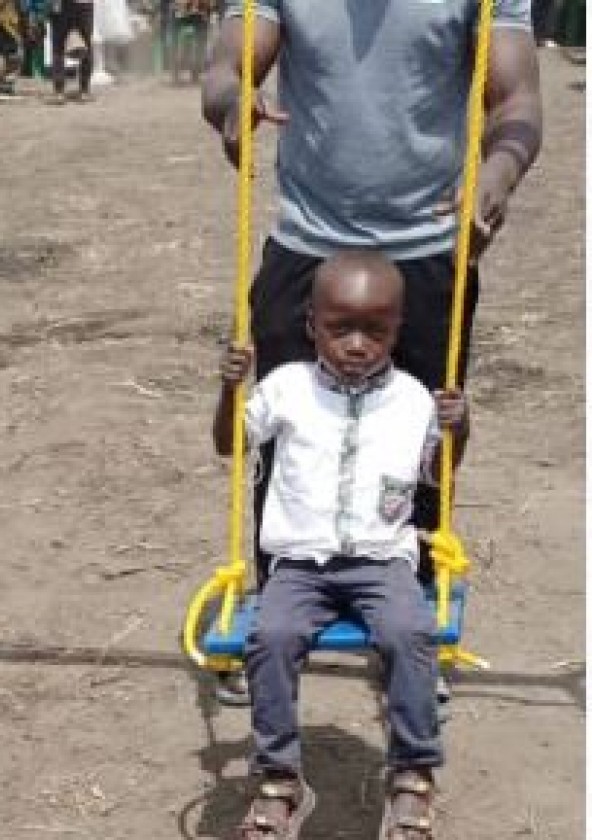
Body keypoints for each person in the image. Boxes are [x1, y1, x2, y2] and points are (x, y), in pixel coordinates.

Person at [202, 0, 541, 594]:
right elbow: (228, 67)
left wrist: (497, 173)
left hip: (426, 252)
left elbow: (517, 102)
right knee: (289, 447)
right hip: (307, 248)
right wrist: (233, 102)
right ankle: (286, 606)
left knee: (419, 453)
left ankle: (407, 611)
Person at [213, 251, 469, 840]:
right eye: (340, 329)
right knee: (270, 637)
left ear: (397, 329)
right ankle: (279, 776)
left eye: (375, 331)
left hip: (382, 562)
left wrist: (460, 428)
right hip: (300, 565)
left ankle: (412, 772)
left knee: (410, 633)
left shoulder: (415, 399)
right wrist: (230, 390)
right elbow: (230, 445)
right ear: (312, 325)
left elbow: (439, 475)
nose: (357, 345)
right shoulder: (286, 388)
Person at [49, 0, 94, 102]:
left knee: (58, 47)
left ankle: (59, 92)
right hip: (83, 4)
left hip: (63, 5)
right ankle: (84, 91)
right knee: (86, 45)